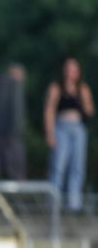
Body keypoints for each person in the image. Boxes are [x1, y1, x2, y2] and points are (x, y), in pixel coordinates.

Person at [44, 57, 94, 213]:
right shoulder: (56, 88)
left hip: (77, 129)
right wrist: (50, 133)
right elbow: (49, 111)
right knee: (58, 165)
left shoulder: (83, 88)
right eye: (68, 69)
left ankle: (74, 204)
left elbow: (89, 111)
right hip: (61, 128)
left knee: (77, 166)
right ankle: (53, 203)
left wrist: (85, 101)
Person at [0, 64, 27, 181]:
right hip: (13, 135)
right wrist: (15, 130)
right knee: (19, 171)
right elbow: (17, 111)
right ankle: (22, 193)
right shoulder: (15, 86)